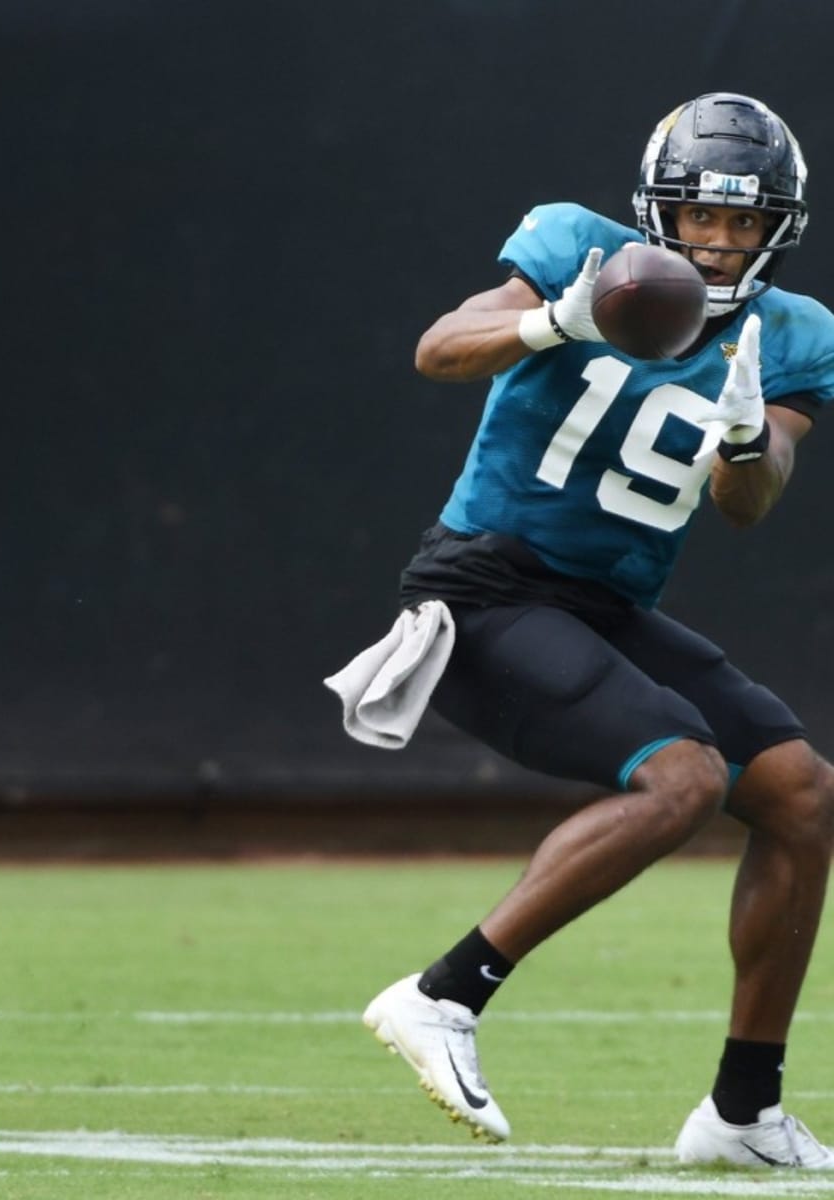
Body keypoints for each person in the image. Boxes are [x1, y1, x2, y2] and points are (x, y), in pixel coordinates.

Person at [338, 93, 834, 1168]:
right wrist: (557, 319)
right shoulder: (577, 247)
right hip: (485, 592)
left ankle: (741, 1115)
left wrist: (749, 441)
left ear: (777, 228)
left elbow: (747, 503)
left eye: (743, 224)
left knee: (799, 793)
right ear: (656, 210)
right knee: (684, 777)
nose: (716, 241)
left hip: (607, 608)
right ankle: (443, 997)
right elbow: (439, 349)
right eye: (698, 216)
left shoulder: (795, 333)